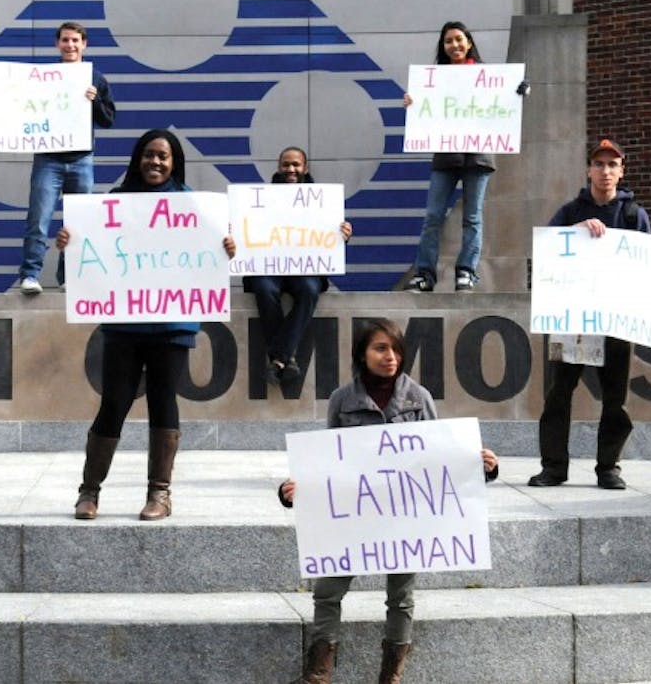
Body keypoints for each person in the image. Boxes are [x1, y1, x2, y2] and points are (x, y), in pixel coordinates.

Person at [278, 318, 499, 684]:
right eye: (380, 348)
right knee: (327, 592)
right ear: (362, 354)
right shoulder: (342, 400)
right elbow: (328, 462)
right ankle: (318, 675)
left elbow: (440, 460)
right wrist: (295, 491)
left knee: (401, 597)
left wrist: (483, 468)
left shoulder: (419, 398)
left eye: (396, 349)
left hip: (403, 522)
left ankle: (390, 678)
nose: (390, 356)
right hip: (353, 519)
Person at [55, 129, 235, 521]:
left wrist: (227, 249)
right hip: (123, 324)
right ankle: (89, 492)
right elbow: (81, 265)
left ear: (174, 162)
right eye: (149, 154)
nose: (155, 162)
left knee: (163, 401)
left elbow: (210, 262)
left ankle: (160, 494)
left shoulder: (195, 208)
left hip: (172, 324)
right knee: (114, 402)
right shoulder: (112, 203)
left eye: (163, 156)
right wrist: (70, 246)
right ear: (138, 159)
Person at [527, 139, 651, 491]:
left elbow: (646, 268)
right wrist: (574, 234)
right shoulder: (570, 212)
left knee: (616, 399)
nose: (605, 171)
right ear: (588, 170)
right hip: (573, 322)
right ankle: (554, 467)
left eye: (613, 165)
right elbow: (546, 253)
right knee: (558, 395)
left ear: (622, 171)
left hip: (616, 321)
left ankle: (608, 467)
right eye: (599, 164)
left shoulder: (634, 216)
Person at [0, 21, 115, 295]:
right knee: (39, 219)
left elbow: (108, 119)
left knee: (78, 221)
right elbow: (13, 102)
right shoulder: (43, 77)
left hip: (82, 159)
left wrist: (96, 100)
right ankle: (30, 274)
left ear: (84, 44)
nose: (70, 45)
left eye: (75, 40)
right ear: (57, 44)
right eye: (65, 40)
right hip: (48, 159)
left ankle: (69, 277)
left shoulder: (95, 78)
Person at [245, 147, 353, 386]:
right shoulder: (259, 201)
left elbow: (327, 238)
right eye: (286, 164)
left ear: (305, 168)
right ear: (278, 167)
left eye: (296, 164)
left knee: (309, 290)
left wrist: (342, 235)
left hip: (304, 269)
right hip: (269, 268)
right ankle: (286, 357)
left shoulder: (322, 202)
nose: (291, 169)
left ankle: (278, 358)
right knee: (263, 288)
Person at [402, 21, 497, 293]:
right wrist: (414, 103)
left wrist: (518, 90)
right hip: (446, 156)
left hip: (477, 156)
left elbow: (504, 104)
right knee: (433, 215)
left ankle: (466, 272)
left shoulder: (487, 77)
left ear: (469, 42)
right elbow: (426, 113)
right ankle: (425, 274)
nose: (454, 45)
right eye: (448, 41)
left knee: (472, 217)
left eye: (458, 39)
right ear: (443, 47)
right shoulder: (434, 80)